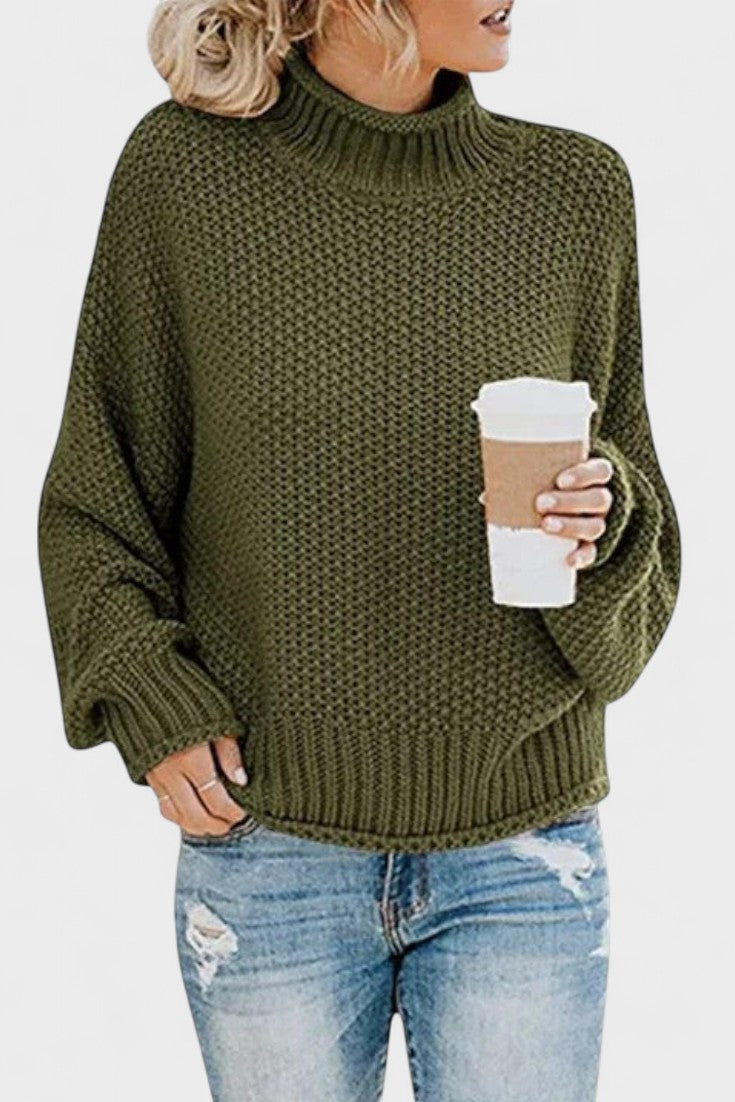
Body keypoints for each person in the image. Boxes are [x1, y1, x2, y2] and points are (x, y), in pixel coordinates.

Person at [36, 1, 681, 1099]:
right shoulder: (183, 175)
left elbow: (640, 540)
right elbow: (99, 498)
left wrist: (600, 516)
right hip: (270, 850)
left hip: (524, 856)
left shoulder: (574, 192)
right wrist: (150, 699)